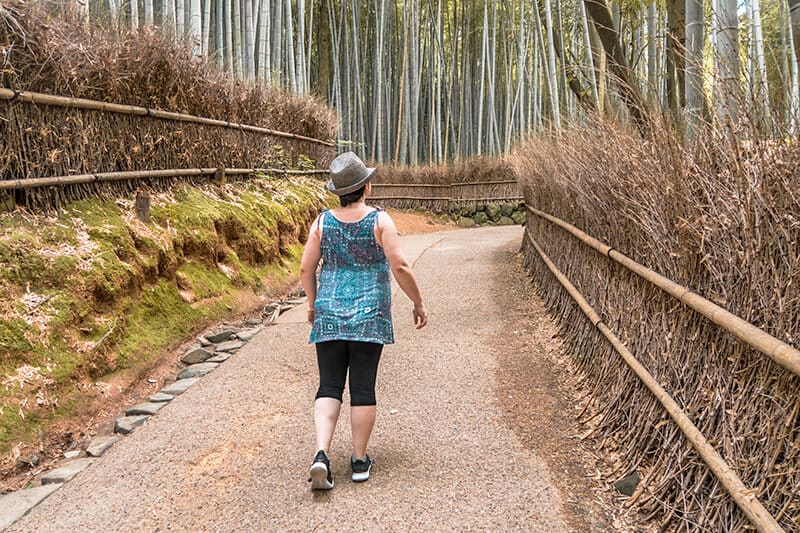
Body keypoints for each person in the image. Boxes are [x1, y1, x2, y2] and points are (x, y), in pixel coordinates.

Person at [300, 151, 428, 490]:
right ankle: (358, 460)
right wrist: (417, 302)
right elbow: (400, 266)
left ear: (338, 190)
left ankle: (321, 455)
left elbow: (305, 268)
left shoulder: (321, 222)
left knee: (328, 385)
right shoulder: (380, 221)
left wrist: (313, 306)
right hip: (369, 316)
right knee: (362, 388)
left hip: (328, 313)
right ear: (366, 187)